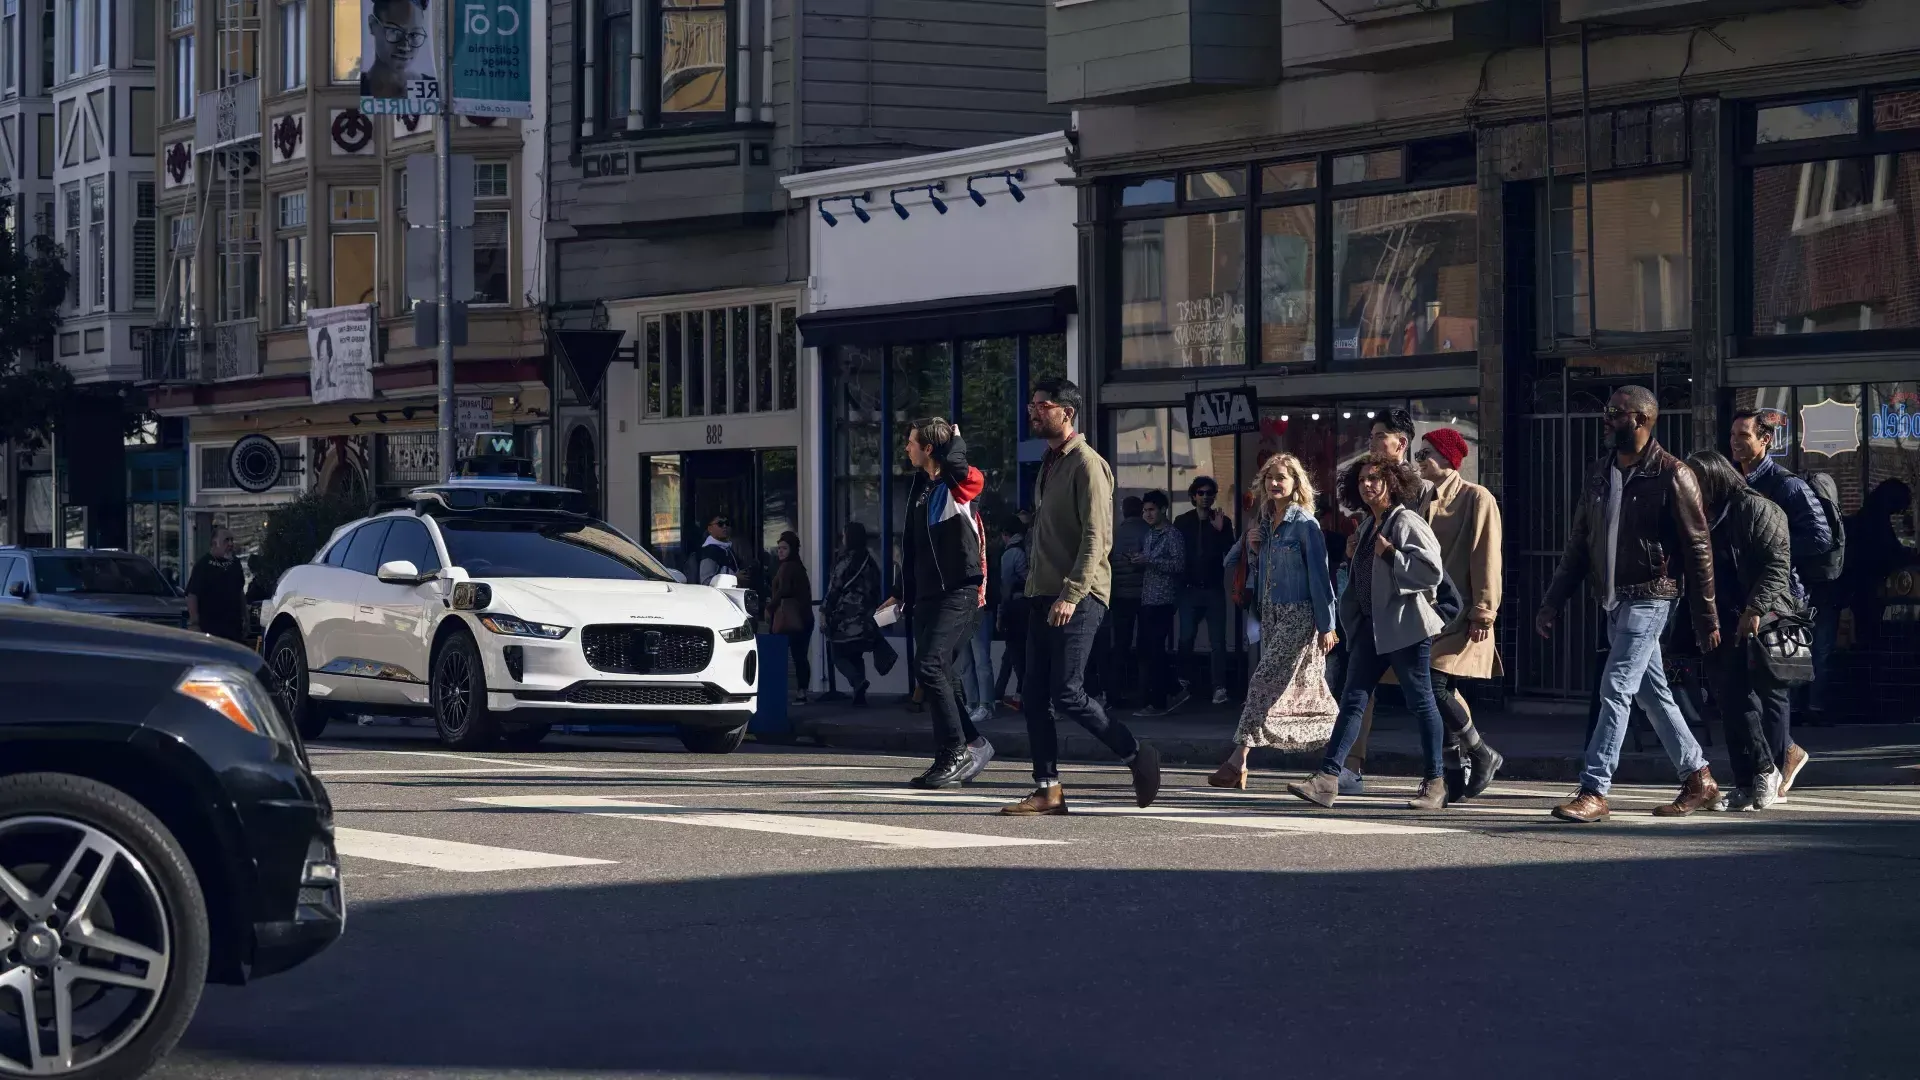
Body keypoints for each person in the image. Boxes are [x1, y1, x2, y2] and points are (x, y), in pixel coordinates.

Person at [1537, 385, 1720, 823]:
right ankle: (1700, 776)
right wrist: (1552, 601)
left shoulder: (1674, 474)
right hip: (1614, 601)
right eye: (1607, 411)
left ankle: (1595, 789)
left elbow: (1698, 549)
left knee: (1616, 687)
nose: (1606, 419)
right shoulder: (1599, 472)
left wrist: (1706, 614)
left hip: (1652, 597)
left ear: (1641, 420)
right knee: (1652, 694)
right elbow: (1580, 542)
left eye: (1615, 413)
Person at [1002, 378, 1161, 815]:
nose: (1032, 411)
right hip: (1042, 593)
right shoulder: (1049, 462)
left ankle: (1136, 754)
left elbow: (1097, 537)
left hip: (1079, 595)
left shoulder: (1087, 464)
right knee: (1033, 695)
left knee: (1067, 692)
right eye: (1032, 404)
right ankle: (1048, 789)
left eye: (1041, 405)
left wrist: (1071, 593)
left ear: (1066, 412)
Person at [1287, 454, 1451, 811]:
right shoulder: (1366, 526)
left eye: (1375, 479)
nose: (1368, 485)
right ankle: (1327, 779)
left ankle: (1436, 783)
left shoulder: (1405, 520)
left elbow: (1431, 571)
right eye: (1362, 480)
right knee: (1353, 700)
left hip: (1405, 628)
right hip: (1370, 629)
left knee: (1421, 701)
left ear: (1392, 483)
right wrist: (1354, 556)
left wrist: (1391, 554)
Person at [1208, 454, 1338, 788]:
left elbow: (1320, 577)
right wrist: (1253, 549)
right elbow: (1241, 566)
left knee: (1262, 682)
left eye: (1282, 477)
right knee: (1293, 688)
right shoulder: (1264, 523)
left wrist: (1327, 623)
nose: (1275, 483)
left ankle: (1237, 761)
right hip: (1271, 614)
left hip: (1299, 613)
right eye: (1270, 478)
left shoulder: (1305, 524)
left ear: (1296, 484)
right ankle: (1341, 751)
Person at [1686, 451, 1803, 811]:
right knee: (1728, 698)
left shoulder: (1754, 508)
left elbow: (1776, 564)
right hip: (1722, 615)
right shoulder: (1703, 514)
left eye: (1697, 483)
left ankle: (1768, 770)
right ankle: (1744, 778)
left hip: (1761, 615)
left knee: (1761, 697)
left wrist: (1755, 609)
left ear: (1714, 479)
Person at [883, 418, 995, 789]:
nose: (906, 448)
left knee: (930, 665)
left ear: (929, 448)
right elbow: (912, 548)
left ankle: (955, 751)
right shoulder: (922, 488)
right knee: (940, 675)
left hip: (959, 591)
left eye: (911, 442)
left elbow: (961, 467)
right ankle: (973, 744)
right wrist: (901, 591)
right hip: (927, 595)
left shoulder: (960, 485)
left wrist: (957, 441)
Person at [1728, 409, 1827, 792]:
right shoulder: (1740, 481)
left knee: (1773, 681)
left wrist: (1773, 551)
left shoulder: (1785, 486)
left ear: (1765, 439)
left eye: (1744, 435)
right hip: (1748, 593)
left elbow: (1821, 539)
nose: (1737, 442)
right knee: (1752, 682)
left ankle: (1780, 759)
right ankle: (1778, 755)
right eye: (1734, 435)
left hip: (1781, 596)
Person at [1172, 476, 1236, 707]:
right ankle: (1184, 683)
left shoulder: (1222, 521)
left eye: (1209, 493)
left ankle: (1218, 687)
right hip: (1188, 589)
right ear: (1193, 496)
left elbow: (1231, 554)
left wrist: (1219, 531)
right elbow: (1174, 552)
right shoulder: (1182, 521)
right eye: (1201, 492)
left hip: (1213, 589)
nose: (1205, 496)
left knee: (1217, 641)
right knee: (1186, 637)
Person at [821, 523, 889, 707]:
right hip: (866, 617)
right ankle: (859, 695)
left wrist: (824, 612)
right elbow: (876, 589)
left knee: (838, 653)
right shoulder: (870, 561)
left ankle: (857, 681)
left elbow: (834, 588)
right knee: (856, 653)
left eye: (844, 535)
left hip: (846, 617)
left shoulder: (845, 561)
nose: (842, 539)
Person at [1130, 491, 1184, 717]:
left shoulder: (1173, 535)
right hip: (1148, 597)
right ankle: (1173, 690)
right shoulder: (1150, 534)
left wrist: (1149, 560)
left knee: (1155, 650)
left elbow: (1179, 564)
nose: (1147, 514)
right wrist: (1137, 560)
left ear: (1163, 510)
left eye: (1151, 509)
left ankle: (1161, 700)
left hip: (1164, 599)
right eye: (1144, 510)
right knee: (1147, 649)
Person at [1107, 496, 1149, 708]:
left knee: (1120, 646)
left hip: (1120, 596)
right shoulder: (1147, 531)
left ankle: (1114, 694)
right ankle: (1143, 694)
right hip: (1143, 595)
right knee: (1144, 646)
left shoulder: (1115, 533)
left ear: (1123, 511)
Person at [767, 532, 814, 705]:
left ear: (792, 549)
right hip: (804, 618)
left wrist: (770, 606)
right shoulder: (796, 566)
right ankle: (802, 691)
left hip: (794, 619)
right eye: (779, 548)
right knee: (800, 656)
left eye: (784, 548)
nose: (780, 552)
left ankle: (790, 693)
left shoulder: (788, 567)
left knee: (791, 656)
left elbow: (784, 590)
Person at [186, 526, 248, 644]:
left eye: (231, 540)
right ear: (215, 543)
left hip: (233, 629)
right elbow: (192, 594)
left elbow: (240, 592)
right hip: (210, 629)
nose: (230, 544)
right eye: (226, 540)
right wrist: (194, 623)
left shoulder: (235, 564)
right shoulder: (203, 565)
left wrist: (246, 618)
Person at [362, 0, 430, 99]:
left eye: (414, 34)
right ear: (372, 25)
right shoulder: (359, 91)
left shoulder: (432, 89)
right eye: (394, 32)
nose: (405, 46)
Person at [995, 518, 1029, 710]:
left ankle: (1020, 696)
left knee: (1016, 654)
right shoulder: (1027, 548)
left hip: (1016, 608)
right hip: (1029, 606)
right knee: (1014, 653)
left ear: (1006, 535)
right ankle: (1001, 693)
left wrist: (1001, 614)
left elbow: (1006, 587)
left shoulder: (1010, 553)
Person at [694, 515, 738, 585]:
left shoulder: (728, 548)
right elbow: (706, 581)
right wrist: (735, 578)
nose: (724, 526)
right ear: (710, 529)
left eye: (727, 523)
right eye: (720, 524)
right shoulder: (709, 551)